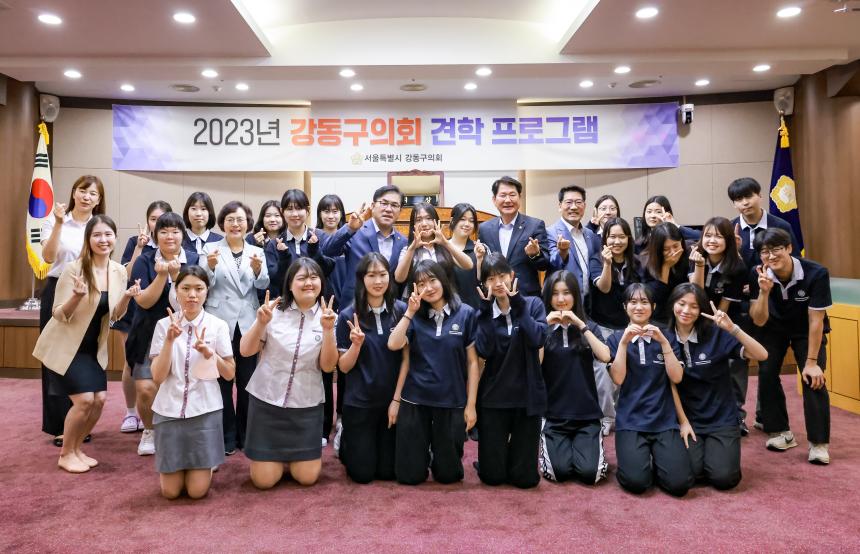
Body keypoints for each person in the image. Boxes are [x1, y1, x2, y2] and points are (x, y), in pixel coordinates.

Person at [34, 215, 139, 473]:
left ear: (115, 238)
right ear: (88, 239)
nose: (103, 240)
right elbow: (59, 314)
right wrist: (76, 297)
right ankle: (65, 454)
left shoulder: (118, 271)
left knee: (99, 400)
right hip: (67, 346)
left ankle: (76, 448)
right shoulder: (74, 269)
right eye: (97, 235)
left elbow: (116, 315)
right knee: (83, 401)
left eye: (108, 234)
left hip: (93, 348)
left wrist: (127, 297)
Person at [239, 259, 339, 489]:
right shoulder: (273, 311)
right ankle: (271, 459)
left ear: (321, 283)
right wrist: (260, 323)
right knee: (263, 482)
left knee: (307, 478)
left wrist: (328, 331)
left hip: (305, 405)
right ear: (290, 285)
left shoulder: (328, 317)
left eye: (313, 278)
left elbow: (327, 367)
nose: (308, 283)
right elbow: (245, 350)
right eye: (301, 278)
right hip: (267, 402)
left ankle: (294, 458)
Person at [667, 283, 767, 490]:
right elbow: (669, 385)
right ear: (672, 305)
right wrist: (683, 422)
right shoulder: (664, 338)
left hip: (721, 418)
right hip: (687, 420)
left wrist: (733, 329)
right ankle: (704, 458)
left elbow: (761, 355)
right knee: (689, 473)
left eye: (694, 306)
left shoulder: (715, 334)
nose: (686, 310)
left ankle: (714, 458)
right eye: (681, 304)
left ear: (701, 310)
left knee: (724, 478)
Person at [387, 260, 479, 485]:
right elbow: (394, 345)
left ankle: (437, 455)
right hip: (415, 399)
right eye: (420, 284)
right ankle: (421, 455)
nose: (428, 288)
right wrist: (410, 312)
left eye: (432, 280)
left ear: (443, 280)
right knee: (409, 477)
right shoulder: (413, 316)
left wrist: (471, 405)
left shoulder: (466, 313)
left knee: (449, 476)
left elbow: (473, 363)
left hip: (451, 401)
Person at [149, 267, 235, 499]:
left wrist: (211, 354)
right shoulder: (163, 325)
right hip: (169, 411)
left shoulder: (218, 325)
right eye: (185, 288)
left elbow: (229, 374)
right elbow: (157, 377)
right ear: (176, 291)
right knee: (170, 492)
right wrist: (169, 341)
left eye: (199, 289)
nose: (192, 295)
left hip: (204, 411)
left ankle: (204, 465)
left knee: (197, 492)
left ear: (207, 292)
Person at [750, 228, 832, 464]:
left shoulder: (816, 273)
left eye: (776, 249)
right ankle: (780, 431)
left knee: (813, 378)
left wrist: (812, 362)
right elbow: (759, 320)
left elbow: (816, 321)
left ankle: (818, 443)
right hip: (773, 327)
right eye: (764, 252)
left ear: (789, 248)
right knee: (766, 371)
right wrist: (764, 292)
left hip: (806, 329)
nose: (771, 256)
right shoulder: (757, 274)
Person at [606, 283, 693, 497]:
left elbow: (677, 377)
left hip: (664, 420)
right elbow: (618, 378)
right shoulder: (615, 339)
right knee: (636, 483)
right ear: (625, 306)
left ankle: (655, 460)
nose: (639, 307)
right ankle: (642, 462)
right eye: (633, 302)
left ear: (653, 307)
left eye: (644, 302)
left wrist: (664, 343)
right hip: (631, 421)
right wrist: (624, 344)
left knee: (679, 485)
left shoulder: (667, 336)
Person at [39, 175, 106, 447]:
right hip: (57, 288)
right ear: (74, 193)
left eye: (93, 193)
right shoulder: (55, 221)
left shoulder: (99, 226)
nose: (87, 197)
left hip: (88, 292)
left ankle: (79, 420)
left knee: (82, 353)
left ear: (99, 200)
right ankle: (59, 426)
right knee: (55, 358)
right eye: (82, 191)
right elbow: (48, 257)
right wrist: (58, 223)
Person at [127, 212, 200, 456]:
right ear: (155, 235)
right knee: (146, 388)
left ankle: (180, 430)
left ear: (183, 235)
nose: (170, 236)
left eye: (175, 231)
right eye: (164, 231)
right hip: (148, 332)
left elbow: (192, 301)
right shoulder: (144, 260)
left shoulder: (193, 259)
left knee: (183, 385)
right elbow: (144, 302)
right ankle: (150, 430)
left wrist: (177, 276)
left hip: (184, 332)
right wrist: (161, 275)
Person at [200, 201, 269, 455]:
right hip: (220, 321)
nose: (235, 224)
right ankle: (227, 436)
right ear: (222, 223)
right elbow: (203, 283)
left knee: (247, 381)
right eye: (230, 219)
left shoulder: (257, 250)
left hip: (248, 322)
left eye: (240, 219)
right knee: (222, 382)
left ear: (248, 223)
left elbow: (263, 285)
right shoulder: (210, 248)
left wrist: (258, 270)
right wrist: (210, 267)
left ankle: (246, 434)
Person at [474, 253, 547, 488]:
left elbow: (537, 338)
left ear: (512, 275)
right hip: (494, 397)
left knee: (525, 480)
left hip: (526, 396)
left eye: (502, 276)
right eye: (490, 278)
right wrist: (486, 313)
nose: (497, 283)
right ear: (484, 283)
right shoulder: (482, 313)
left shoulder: (533, 304)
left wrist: (518, 306)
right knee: (492, 477)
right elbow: (484, 350)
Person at [336, 253, 407, 483]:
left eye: (383, 275)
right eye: (371, 275)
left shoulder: (402, 311)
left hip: (391, 402)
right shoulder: (348, 315)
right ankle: (345, 439)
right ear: (361, 279)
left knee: (388, 473)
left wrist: (397, 400)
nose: (378, 281)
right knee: (362, 474)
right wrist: (355, 346)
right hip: (359, 402)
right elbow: (343, 367)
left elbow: (407, 359)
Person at [538, 270, 611, 485]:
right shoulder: (541, 327)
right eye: (555, 293)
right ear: (548, 297)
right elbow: (534, 363)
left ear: (576, 296)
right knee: (558, 472)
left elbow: (605, 356)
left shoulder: (588, 326)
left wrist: (581, 325)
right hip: (553, 416)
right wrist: (543, 326)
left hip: (587, 415)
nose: (561, 299)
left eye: (567, 293)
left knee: (591, 474)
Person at [688, 216, 750, 435]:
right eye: (708, 235)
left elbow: (723, 307)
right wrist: (699, 266)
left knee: (735, 367)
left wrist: (716, 330)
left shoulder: (737, 266)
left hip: (727, 319)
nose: (712, 241)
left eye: (718, 236)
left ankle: (738, 416)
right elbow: (695, 294)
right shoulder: (695, 256)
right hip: (696, 316)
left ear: (728, 240)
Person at [114, 200, 171, 433]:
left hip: (162, 315)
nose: (158, 224)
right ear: (148, 221)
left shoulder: (174, 243)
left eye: (163, 219)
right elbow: (125, 276)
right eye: (154, 219)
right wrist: (139, 247)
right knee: (131, 364)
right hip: (134, 310)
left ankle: (158, 417)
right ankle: (131, 413)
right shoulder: (136, 242)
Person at [589, 217, 642, 436]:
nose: (617, 241)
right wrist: (607, 264)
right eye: (612, 237)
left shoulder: (637, 263)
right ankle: (606, 417)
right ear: (605, 238)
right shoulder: (596, 259)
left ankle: (623, 414)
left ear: (629, 239)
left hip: (629, 326)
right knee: (603, 373)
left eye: (622, 237)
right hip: (602, 326)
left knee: (627, 372)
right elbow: (603, 287)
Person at [322, 185, 409, 305]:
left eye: (394, 205)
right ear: (372, 206)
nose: (389, 209)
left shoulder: (403, 242)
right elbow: (327, 250)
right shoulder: (356, 231)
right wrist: (349, 229)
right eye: (384, 203)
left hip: (387, 310)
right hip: (354, 307)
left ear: (400, 211)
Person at [315, 193, 348, 455]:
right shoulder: (314, 237)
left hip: (346, 308)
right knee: (324, 369)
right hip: (321, 308)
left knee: (345, 368)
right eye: (326, 211)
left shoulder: (350, 238)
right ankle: (324, 424)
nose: (331, 215)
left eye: (335, 211)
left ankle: (342, 417)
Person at [477, 176, 549, 297]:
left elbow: (544, 265)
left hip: (526, 297)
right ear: (494, 199)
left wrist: (535, 255)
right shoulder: (485, 229)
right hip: (495, 296)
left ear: (519, 197)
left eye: (512, 195)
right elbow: (484, 266)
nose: (508, 200)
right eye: (503, 195)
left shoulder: (535, 225)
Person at [394, 202, 473, 298]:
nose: (424, 224)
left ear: (436, 221)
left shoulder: (446, 246)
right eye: (418, 220)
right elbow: (399, 278)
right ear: (413, 225)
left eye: (429, 218)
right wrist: (412, 249)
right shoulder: (408, 250)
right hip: (416, 302)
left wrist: (445, 243)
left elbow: (468, 265)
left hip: (444, 301)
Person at [727, 177, 800, 270]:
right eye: (739, 199)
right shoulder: (729, 228)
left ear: (760, 196)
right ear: (734, 204)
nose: (745, 203)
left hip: (774, 278)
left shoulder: (781, 226)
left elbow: (795, 260)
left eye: (749, 196)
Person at [547, 185, 601, 306]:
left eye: (578, 202)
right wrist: (562, 252)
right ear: (560, 206)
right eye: (568, 202)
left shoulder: (590, 234)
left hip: (588, 301)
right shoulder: (550, 232)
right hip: (563, 302)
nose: (574, 207)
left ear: (584, 206)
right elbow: (552, 264)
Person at [641, 223, 690, 325]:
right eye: (666, 249)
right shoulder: (645, 262)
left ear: (681, 242)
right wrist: (666, 267)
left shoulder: (688, 257)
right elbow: (655, 298)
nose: (672, 252)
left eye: (676, 246)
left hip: (684, 314)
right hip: (659, 318)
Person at [447, 203, 485, 310]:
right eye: (462, 219)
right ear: (452, 220)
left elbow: (484, 283)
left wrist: (479, 260)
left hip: (473, 309)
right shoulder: (441, 247)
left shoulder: (479, 249)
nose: (467, 224)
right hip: (447, 309)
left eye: (471, 221)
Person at [634, 195, 700, 255]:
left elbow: (700, 237)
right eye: (649, 211)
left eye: (658, 212)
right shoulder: (638, 244)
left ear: (667, 213)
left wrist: (675, 225)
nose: (653, 216)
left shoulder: (675, 240)